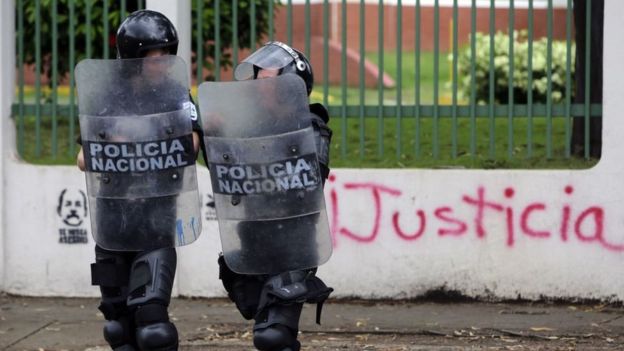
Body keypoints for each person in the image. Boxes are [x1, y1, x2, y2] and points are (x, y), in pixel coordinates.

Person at [76, 10, 202, 351]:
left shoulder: (176, 95)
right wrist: (114, 145)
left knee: (152, 325)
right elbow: (83, 159)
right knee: (118, 327)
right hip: (113, 223)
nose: (162, 63)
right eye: (153, 56)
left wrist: (132, 138)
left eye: (166, 55)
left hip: (155, 222)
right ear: (133, 57)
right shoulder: (105, 97)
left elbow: (191, 145)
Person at [214, 41, 334, 351]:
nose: (258, 86)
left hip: (294, 244)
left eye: (267, 80)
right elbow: (226, 174)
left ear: (289, 87)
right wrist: (216, 139)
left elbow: (312, 178)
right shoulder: (245, 126)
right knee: (269, 330)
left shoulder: (311, 126)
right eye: (258, 79)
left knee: (272, 335)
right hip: (253, 240)